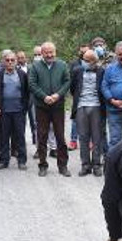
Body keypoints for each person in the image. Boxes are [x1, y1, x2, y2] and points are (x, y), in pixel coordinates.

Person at [28, 41, 72, 177]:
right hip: (42, 106)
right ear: (42, 53)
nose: (49, 55)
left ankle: (63, 165)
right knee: (42, 136)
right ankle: (42, 165)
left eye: (51, 52)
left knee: (60, 136)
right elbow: (32, 84)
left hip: (58, 106)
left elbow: (67, 81)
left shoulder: (62, 65)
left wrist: (58, 95)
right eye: (46, 52)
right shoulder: (35, 66)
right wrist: (44, 96)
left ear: (55, 52)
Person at [70, 49, 105, 176]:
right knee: (83, 136)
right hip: (81, 106)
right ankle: (85, 165)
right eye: (83, 59)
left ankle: (96, 165)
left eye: (85, 60)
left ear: (93, 62)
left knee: (97, 137)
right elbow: (73, 88)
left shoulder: (101, 71)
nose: (82, 62)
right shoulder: (77, 71)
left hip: (96, 106)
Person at [0, 50, 29, 170]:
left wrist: (25, 108)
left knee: (20, 136)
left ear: (16, 61)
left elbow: (27, 92)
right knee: (3, 136)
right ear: (4, 61)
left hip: (19, 110)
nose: (10, 62)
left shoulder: (22, 74)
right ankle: (4, 161)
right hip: (4, 111)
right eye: (7, 60)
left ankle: (22, 161)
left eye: (12, 60)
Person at [68, 43, 90, 151]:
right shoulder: (74, 64)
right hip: (78, 96)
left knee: (91, 119)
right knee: (76, 119)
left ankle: (90, 141)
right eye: (82, 52)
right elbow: (71, 82)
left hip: (91, 97)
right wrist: (75, 94)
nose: (84, 54)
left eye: (86, 51)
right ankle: (73, 140)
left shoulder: (94, 63)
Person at [16, 50, 37, 145]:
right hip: (20, 100)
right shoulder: (14, 70)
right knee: (20, 124)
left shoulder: (32, 68)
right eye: (18, 58)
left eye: (22, 57)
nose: (20, 60)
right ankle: (20, 145)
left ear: (26, 58)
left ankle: (37, 145)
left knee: (35, 123)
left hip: (32, 99)